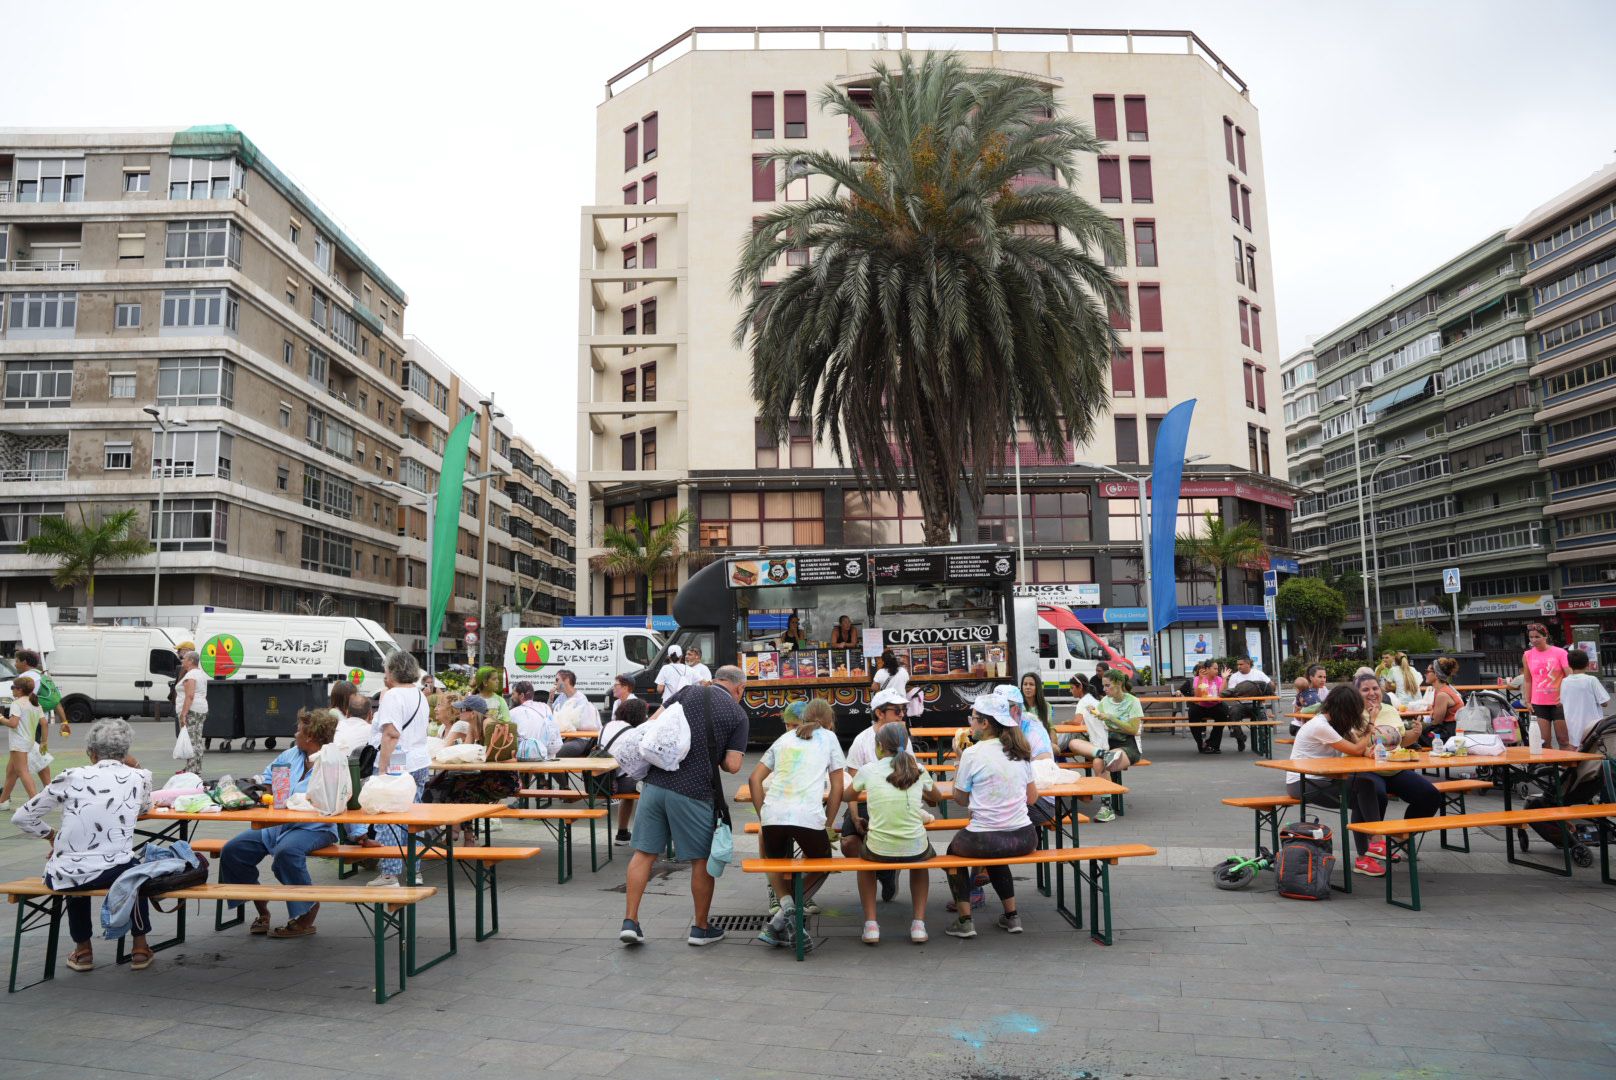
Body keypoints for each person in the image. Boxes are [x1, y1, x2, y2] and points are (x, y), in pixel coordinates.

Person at [620, 665, 748, 947]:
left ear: (716, 680)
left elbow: (653, 725)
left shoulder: (687, 691)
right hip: (694, 791)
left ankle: (631, 921)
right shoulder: (737, 714)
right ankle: (701, 929)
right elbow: (733, 765)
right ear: (739, 689)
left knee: (643, 854)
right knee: (700, 861)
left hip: (655, 785)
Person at [12, 718, 154, 973]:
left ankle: (83, 950)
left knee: (72, 870)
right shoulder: (139, 777)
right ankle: (140, 948)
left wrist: (52, 835)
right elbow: (145, 808)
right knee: (135, 874)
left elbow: (22, 817)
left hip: (68, 873)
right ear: (125, 753)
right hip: (116, 869)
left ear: (92, 752)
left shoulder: (71, 776)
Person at [219, 709, 341, 937]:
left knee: (287, 852)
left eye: (299, 730)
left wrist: (361, 834)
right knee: (233, 851)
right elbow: (267, 779)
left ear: (310, 737)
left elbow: (346, 797)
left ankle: (308, 912)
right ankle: (262, 909)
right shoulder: (291, 755)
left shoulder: (333, 763)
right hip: (279, 825)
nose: (295, 734)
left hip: (315, 828)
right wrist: (268, 793)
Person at [750, 698, 845, 949]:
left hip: (773, 816)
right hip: (808, 817)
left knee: (774, 862)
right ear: (829, 721)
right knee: (823, 865)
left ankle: (781, 918)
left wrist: (765, 815)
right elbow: (838, 786)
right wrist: (830, 822)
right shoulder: (829, 739)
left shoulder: (784, 739)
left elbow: (754, 780)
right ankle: (785, 916)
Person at [944, 694, 1038, 939]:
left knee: (952, 855)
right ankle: (1011, 915)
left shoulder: (972, 754)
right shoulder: (1020, 751)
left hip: (984, 839)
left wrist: (957, 760)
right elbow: (1032, 798)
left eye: (973, 719)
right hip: (1025, 836)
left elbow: (960, 799)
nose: (970, 724)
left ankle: (965, 920)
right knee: (997, 856)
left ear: (985, 724)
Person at [849, 721, 939, 945]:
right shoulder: (917, 769)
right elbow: (936, 798)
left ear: (879, 747)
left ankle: (871, 925)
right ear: (906, 744)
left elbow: (844, 796)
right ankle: (918, 924)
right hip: (915, 847)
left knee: (864, 864)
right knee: (920, 861)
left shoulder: (868, 770)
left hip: (878, 848)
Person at [1285, 684, 1384, 877]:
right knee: (1365, 787)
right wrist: (1371, 722)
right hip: (1302, 783)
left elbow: (1357, 747)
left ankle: (1367, 857)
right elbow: (1356, 750)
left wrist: (1368, 750)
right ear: (1345, 709)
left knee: (1366, 795)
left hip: (1320, 780)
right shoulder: (1320, 726)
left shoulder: (1335, 724)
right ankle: (1376, 842)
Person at [1355, 672, 1440, 869]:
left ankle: (1402, 837)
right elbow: (1355, 746)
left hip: (1392, 766)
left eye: (1375, 688)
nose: (1372, 693)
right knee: (1376, 794)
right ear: (1356, 692)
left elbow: (1400, 740)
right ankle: (1370, 851)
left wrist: (1415, 734)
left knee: (1430, 796)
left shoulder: (1389, 710)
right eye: (1365, 689)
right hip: (1364, 768)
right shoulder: (1352, 712)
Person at [841, 687, 911, 901]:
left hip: (896, 803)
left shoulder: (902, 738)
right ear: (880, 713)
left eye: (903, 710)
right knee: (849, 844)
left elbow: (913, 776)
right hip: (865, 803)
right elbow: (850, 783)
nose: (902, 715)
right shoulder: (862, 740)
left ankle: (884, 873)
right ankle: (883, 873)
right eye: (897, 711)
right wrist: (853, 816)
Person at [367, 650, 430, 887]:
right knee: (413, 816)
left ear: (392, 671)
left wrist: (382, 769)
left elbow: (391, 734)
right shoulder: (419, 694)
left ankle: (389, 873)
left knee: (389, 818)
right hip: (420, 760)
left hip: (396, 763)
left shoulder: (393, 696)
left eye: (386, 669)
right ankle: (415, 869)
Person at [1059, 669, 1141, 822]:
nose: (1104, 689)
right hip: (1105, 745)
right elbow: (1098, 723)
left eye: (1107, 686)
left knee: (1098, 762)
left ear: (1119, 684)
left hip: (1127, 746)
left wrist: (1110, 718)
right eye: (1103, 686)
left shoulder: (1132, 702)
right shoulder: (1104, 702)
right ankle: (1104, 754)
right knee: (1073, 743)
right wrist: (1093, 714)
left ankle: (1107, 808)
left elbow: (1134, 729)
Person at [598, 696, 647, 845]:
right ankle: (647, 837)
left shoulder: (606, 726)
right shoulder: (634, 733)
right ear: (638, 715)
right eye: (644, 714)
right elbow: (641, 762)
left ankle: (622, 833)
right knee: (654, 784)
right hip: (617, 784)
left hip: (599, 781)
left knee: (631, 783)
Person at [1519, 623, 1573, 750]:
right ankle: (1550, 769)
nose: (1533, 640)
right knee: (1544, 742)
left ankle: (1568, 769)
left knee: (1563, 739)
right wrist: (1528, 700)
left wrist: (1566, 697)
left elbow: (1569, 677)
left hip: (1559, 702)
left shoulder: (1560, 653)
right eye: (1531, 637)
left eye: (1537, 637)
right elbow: (1527, 680)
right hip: (1539, 703)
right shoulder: (1527, 655)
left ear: (1545, 636)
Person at [0, 676, 44, 808]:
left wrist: (1, 718)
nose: (12, 690)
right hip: (28, 741)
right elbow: (44, 723)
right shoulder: (35, 703)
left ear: (19, 690)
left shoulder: (16, 703)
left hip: (18, 743)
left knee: (22, 772)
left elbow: (13, 723)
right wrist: (44, 741)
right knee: (11, 772)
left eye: (13, 687)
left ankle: (34, 801)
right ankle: (2, 801)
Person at [13, 649, 68, 740]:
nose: (15, 664)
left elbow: (21, 700)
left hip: (28, 721)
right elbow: (56, 701)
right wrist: (64, 722)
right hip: (41, 720)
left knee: (26, 750)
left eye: (17, 661)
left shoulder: (24, 678)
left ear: (24, 662)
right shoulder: (43, 676)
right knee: (35, 748)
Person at [1560, 648, 1610, 748]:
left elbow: (1562, 702)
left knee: (1575, 748)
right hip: (1592, 725)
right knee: (1593, 749)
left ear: (1569, 665)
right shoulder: (1591, 680)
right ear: (1587, 664)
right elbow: (1605, 702)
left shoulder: (1565, 681)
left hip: (1572, 724)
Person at [1222, 656, 1271, 753]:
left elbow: (1270, 685)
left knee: (1262, 718)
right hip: (1241, 705)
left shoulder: (1258, 674)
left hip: (1257, 704)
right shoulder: (1234, 676)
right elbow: (1232, 693)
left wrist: (1267, 691)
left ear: (1248, 664)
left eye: (1241, 664)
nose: (1238, 666)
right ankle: (1240, 739)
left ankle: (1264, 743)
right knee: (1232, 713)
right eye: (1238, 665)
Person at [552, 670, 602, 756]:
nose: (555, 683)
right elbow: (550, 715)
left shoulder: (581, 699)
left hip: (580, 739)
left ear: (567, 680)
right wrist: (550, 698)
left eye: (557, 680)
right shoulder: (561, 697)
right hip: (563, 737)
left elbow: (580, 726)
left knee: (554, 752)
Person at [175, 649, 208, 776]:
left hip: (192, 711)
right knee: (197, 739)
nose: (182, 661)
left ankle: (192, 770)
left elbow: (190, 696)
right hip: (200, 709)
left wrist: (184, 713)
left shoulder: (191, 676)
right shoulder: (199, 674)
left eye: (185, 659)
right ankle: (195, 768)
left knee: (192, 741)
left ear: (191, 661)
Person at [510, 680, 562, 759]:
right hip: (549, 757)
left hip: (527, 758)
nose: (511, 697)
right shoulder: (545, 707)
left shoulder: (513, 713)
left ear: (522, 695)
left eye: (513, 694)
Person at [1182, 660, 1225, 754]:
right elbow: (1197, 696)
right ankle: (1200, 743)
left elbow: (1222, 695)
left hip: (1214, 705)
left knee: (1223, 713)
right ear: (1207, 669)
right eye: (1215, 668)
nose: (1217, 671)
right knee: (1192, 714)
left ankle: (1213, 744)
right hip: (1201, 705)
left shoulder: (1219, 679)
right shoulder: (1198, 678)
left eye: (1217, 668)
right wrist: (1201, 679)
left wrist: (1225, 679)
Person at [1421, 657, 1464, 746]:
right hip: (1450, 730)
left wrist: (1421, 724)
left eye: (1427, 671)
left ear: (1436, 675)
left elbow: (1436, 722)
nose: (1425, 674)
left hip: (1450, 734)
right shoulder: (1444, 689)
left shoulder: (1442, 695)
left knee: (1415, 736)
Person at [1017, 672, 1056, 744]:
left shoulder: (1046, 706)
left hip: (1042, 743)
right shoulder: (1017, 706)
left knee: (1056, 749)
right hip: (1023, 744)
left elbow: (1051, 728)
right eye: (1025, 684)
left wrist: (1053, 745)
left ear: (1037, 687)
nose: (1027, 687)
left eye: (1031, 684)